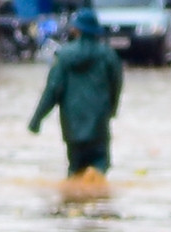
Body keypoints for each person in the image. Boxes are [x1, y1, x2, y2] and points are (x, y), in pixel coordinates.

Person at [28, 9, 123, 180]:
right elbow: (116, 86)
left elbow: (52, 91)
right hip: (99, 126)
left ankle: (74, 202)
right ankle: (99, 203)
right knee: (100, 166)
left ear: (76, 30)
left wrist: (37, 119)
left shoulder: (63, 57)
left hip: (72, 127)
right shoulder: (108, 56)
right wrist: (112, 110)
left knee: (75, 171)